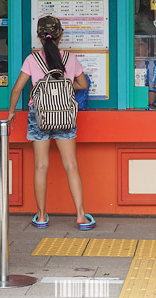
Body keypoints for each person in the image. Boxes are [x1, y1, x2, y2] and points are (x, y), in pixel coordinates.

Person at [7, 15, 95, 230]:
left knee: (41, 165)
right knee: (71, 164)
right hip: (65, 114)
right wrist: (64, 85)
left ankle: (42, 215)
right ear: (60, 35)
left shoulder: (32, 59)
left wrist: (11, 112)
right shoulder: (69, 59)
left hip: (40, 114)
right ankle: (81, 216)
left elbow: (18, 88)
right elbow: (82, 84)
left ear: (39, 37)